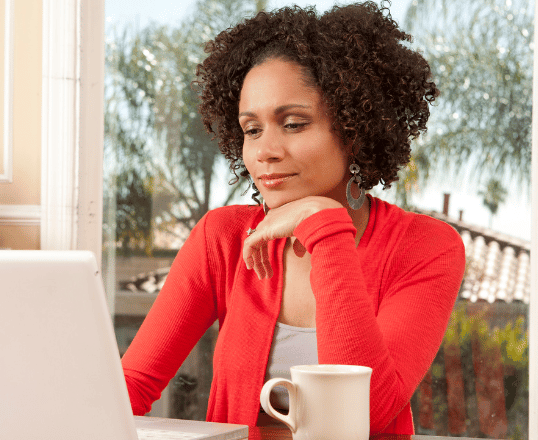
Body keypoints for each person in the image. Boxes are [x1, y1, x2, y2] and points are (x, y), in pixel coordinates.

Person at [121, 1, 466, 435]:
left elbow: (366, 416)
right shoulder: (223, 238)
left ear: (355, 128)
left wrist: (326, 228)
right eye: (252, 129)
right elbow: (128, 387)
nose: (265, 150)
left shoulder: (425, 246)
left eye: (294, 123)